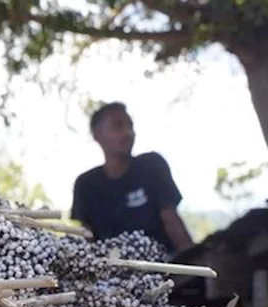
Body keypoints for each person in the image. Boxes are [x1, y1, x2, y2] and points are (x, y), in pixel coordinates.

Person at [70, 102, 194, 256]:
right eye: (118, 125)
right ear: (98, 135)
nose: (128, 132)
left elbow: (171, 219)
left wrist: (193, 262)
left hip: (164, 266)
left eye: (130, 125)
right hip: (113, 272)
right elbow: (87, 238)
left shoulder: (152, 165)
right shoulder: (86, 185)